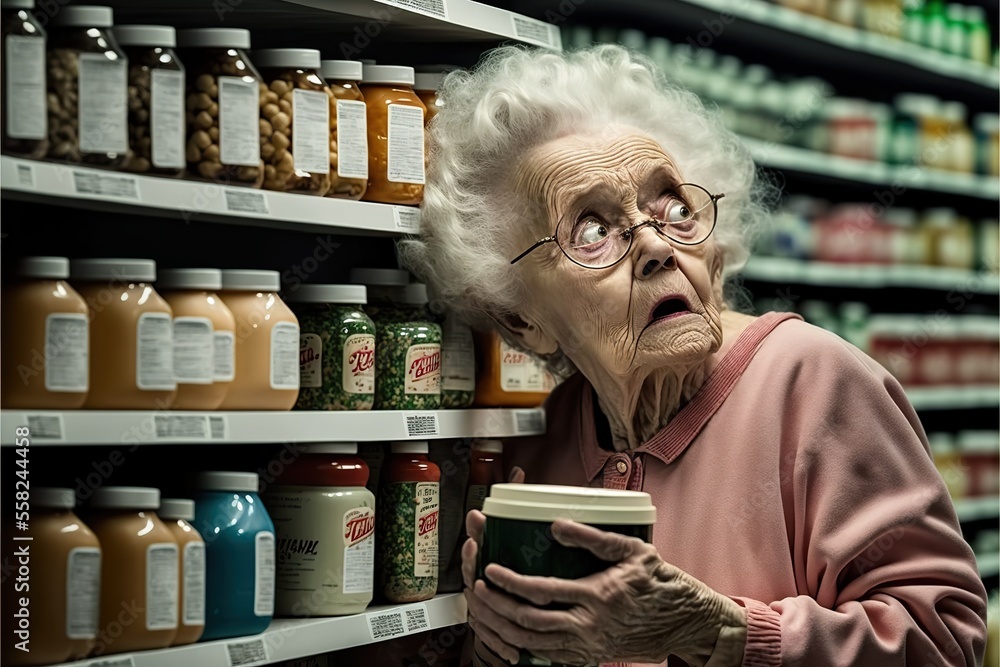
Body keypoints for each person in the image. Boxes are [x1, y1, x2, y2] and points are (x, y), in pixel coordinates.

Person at [398, 44, 988, 667]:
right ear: (522, 316)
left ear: (716, 253)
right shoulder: (535, 445)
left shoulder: (817, 384)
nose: (656, 244)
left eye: (675, 209)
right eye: (592, 230)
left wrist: (717, 630)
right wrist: (497, 646)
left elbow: (945, 643)